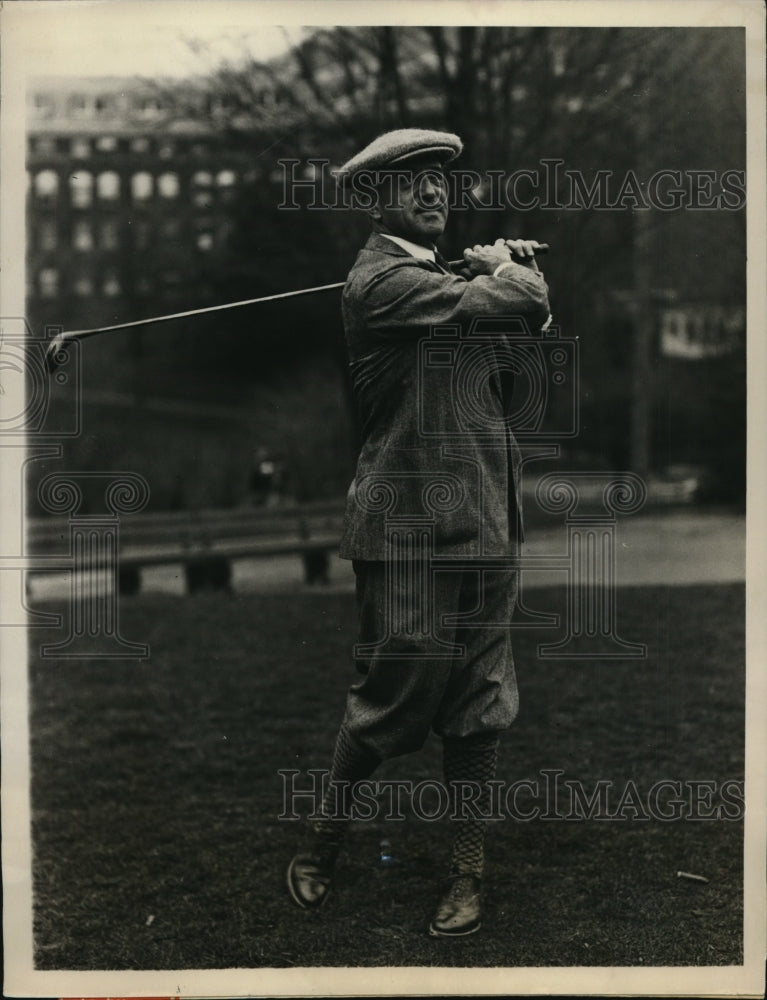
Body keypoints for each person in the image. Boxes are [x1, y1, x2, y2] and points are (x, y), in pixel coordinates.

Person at [287, 128, 551, 936]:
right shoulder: (381, 282)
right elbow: (522, 301)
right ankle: (323, 846)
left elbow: (521, 342)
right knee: (387, 703)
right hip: (404, 528)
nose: (433, 194)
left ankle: (466, 875)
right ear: (376, 201)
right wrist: (504, 273)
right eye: (412, 185)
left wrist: (502, 273)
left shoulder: (433, 279)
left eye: (440, 181)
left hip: (483, 517)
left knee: (479, 702)